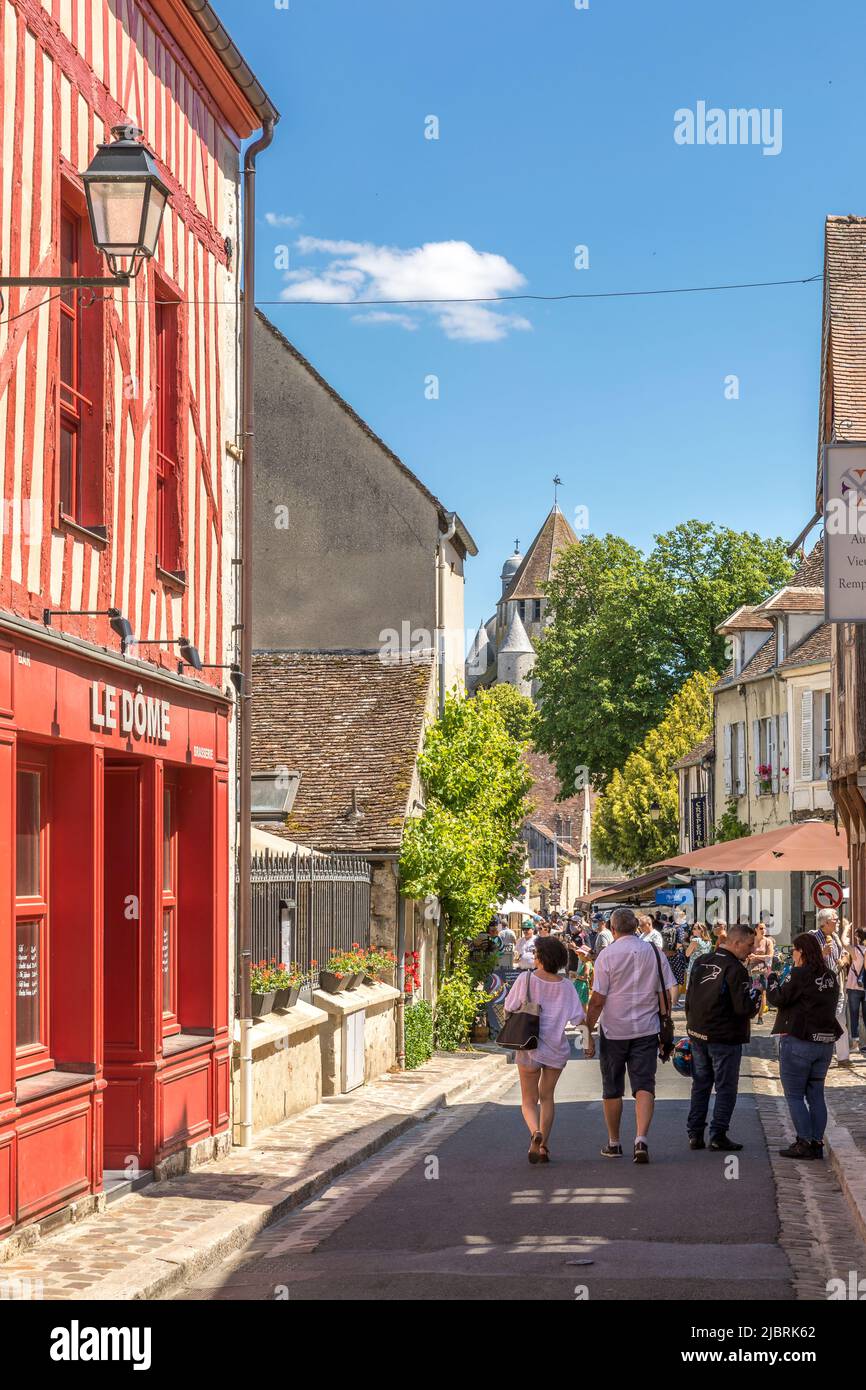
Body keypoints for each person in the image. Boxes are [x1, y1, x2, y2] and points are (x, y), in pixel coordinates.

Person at [584, 907, 677, 1164]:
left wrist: (587, 1030)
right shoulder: (654, 953)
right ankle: (641, 1139)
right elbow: (668, 991)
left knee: (612, 1087)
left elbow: (598, 1000)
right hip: (646, 1029)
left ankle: (614, 1143)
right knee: (644, 1085)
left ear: (613, 929)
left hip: (614, 1030)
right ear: (636, 926)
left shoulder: (606, 955)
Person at [503, 935, 585, 1164]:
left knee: (528, 1100)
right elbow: (579, 1018)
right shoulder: (567, 986)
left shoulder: (525, 980)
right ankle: (544, 1146)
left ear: (539, 958)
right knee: (547, 1097)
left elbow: (509, 1007)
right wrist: (589, 1042)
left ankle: (534, 1133)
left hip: (529, 1046)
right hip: (556, 1049)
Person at [767, 932, 842, 1160]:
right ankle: (817, 1142)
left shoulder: (799, 973)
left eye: (794, 950)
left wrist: (771, 980)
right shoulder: (830, 975)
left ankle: (804, 1141)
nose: (793, 955)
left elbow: (778, 998)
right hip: (825, 1043)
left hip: (800, 1040)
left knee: (795, 1095)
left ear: (802, 951)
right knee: (816, 1094)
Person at [685, 923, 759, 1151]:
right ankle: (718, 1133)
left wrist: (691, 1025)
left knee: (701, 1084)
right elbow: (743, 1008)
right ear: (735, 943)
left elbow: (690, 997)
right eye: (748, 945)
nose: (751, 950)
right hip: (724, 1036)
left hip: (698, 1032)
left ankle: (695, 1133)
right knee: (725, 1087)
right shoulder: (735, 969)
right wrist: (756, 994)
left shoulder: (701, 961)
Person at [812, 908, 851, 1066]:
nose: (838, 922)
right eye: (835, 919)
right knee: (822, 1021)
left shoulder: (835, 937)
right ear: (826, 922)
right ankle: (818, 1056)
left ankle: (843, 1058)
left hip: (837, 985)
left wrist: (843, 960)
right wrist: (821, 954)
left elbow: (844, 955)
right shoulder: (814, 938)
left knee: (840, 1020)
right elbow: (807, 960)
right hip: (821, 988)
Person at [747, 921, 774, 1021]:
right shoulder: (750, 941)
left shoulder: (768, 941)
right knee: (750, 991)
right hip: (750, 970)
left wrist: (756, 956)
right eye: (761, 928)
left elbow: (770, 956)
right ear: (756, 929)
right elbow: (745, 953)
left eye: (764, 928)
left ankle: (760, 1016)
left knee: (762, 992)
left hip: (763, 970)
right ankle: (751, 1013)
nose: (763, 930)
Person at [847, 927, 866, 1055]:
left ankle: (855, 1044)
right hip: (865, 986)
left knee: (854, 1016)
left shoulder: (855, 950)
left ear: (858, 937)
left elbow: (843, 942)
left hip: (854, 986)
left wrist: (846, 931)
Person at [684, 921, 713, 987]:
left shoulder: (695, 940)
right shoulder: (709, 941)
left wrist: (686, 944)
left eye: (694, 928)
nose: (692, 930)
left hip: (694, 967)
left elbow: (687, 954)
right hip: (704, 968)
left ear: (700, 930)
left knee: (691, 990)